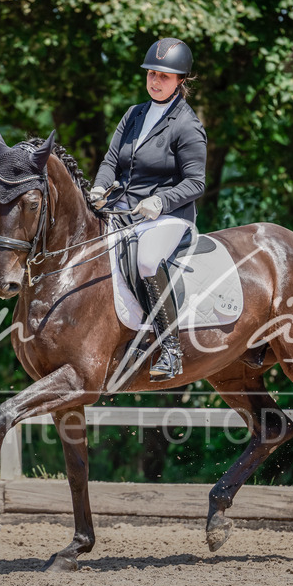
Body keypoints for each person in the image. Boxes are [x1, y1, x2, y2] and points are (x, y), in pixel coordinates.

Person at [89, 37, 207, 381]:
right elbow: (111, 160)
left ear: (180, 80)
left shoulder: (186, 124)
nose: (155, 81)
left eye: (164, 76)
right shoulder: (134, 114)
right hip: (124, 210)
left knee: (146, 260)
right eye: (151, 73)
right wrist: (99, 187)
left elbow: (196, 182)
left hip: (168, 216)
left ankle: (170, 348)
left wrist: (161, 201)